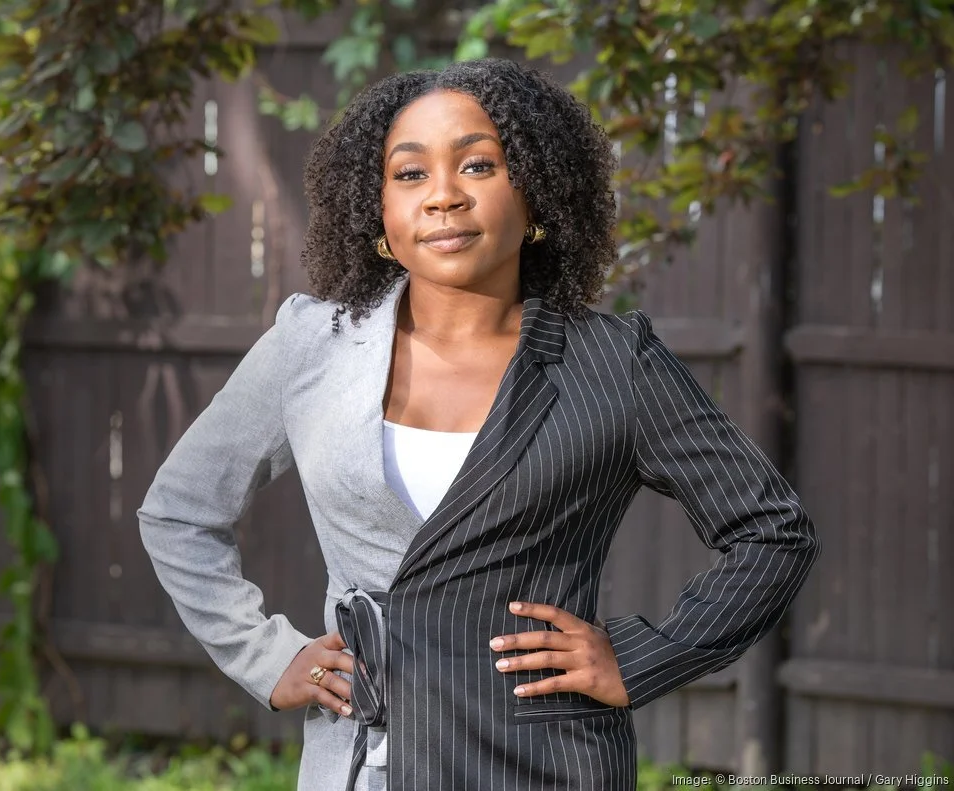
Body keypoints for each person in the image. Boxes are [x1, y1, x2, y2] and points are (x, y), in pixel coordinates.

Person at [138, 57, 821, 791]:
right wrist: (266, 657)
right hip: (367, 763)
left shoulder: (613, 363)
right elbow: (180, 511)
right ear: (378, 210)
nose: (443, 196)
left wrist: (639, 655)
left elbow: (772, 533)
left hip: (547, 764)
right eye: (410, 173)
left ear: (536, 194)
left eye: (478, 165)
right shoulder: (312, 347)